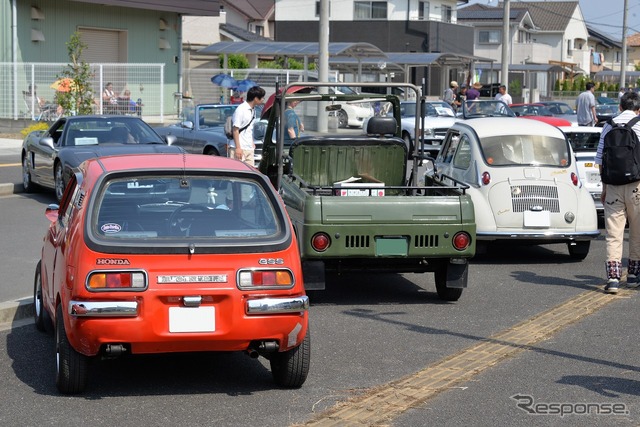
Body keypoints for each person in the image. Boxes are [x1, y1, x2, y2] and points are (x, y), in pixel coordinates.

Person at [595, 91, 640, 293]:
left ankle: (613, 279)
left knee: (613, 234)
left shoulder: (608, 126)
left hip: (613, 185)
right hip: (637, 186)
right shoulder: (639, 124)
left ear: (620, 107)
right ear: (638, 109)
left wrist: (605, 188)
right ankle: (632, 275)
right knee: (637, 233)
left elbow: (600, 161)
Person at [230, 85, 266, 165]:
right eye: (262, 97)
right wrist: (238, 148)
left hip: (249, 148)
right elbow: (235, 130)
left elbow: (249, 128)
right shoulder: (241, 110)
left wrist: (252, 142)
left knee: (250, 174)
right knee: (237, 175)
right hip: (240, 148)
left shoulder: (253, 110)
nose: (263, 100)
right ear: (256, 98)